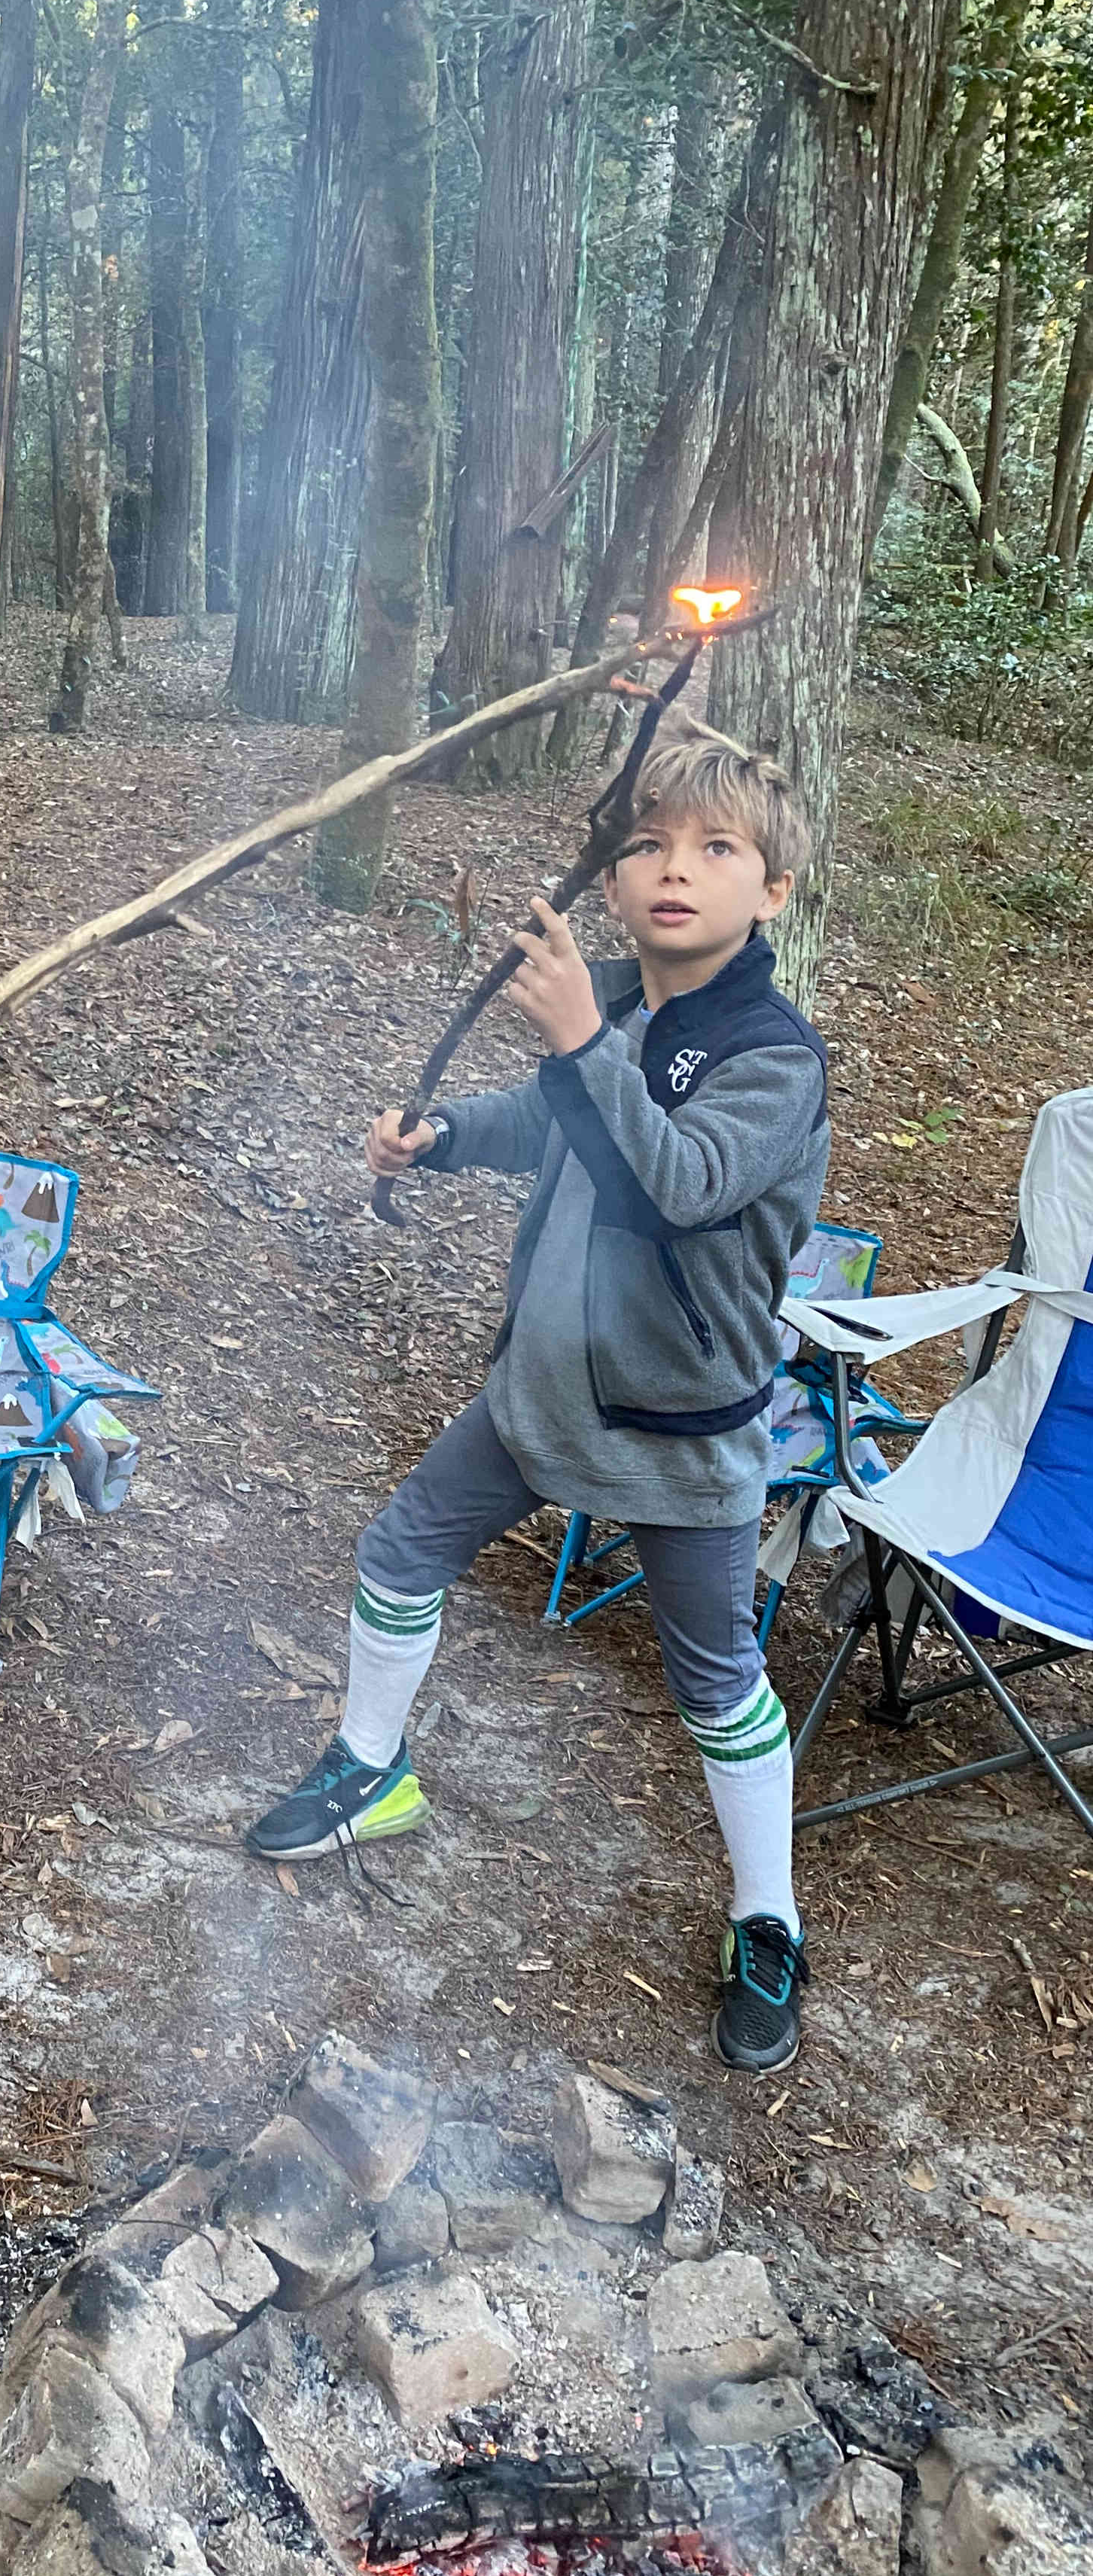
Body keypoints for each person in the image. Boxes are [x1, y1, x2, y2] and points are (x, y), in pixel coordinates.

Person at [245, 717, 829, 2072]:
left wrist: (581, 1040)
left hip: (681, 1432)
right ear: (614, 879)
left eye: (715, 848)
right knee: (401, 1551)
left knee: (715, 1681)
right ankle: (371, 1770)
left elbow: (678, 1180)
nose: (674, 869)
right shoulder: (620, 1002)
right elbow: (554, 1117)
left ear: (773, 890)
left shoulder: (774, 1059)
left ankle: (768, 1918)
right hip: (541, 1390)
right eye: (645, 845)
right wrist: (445, 1136)